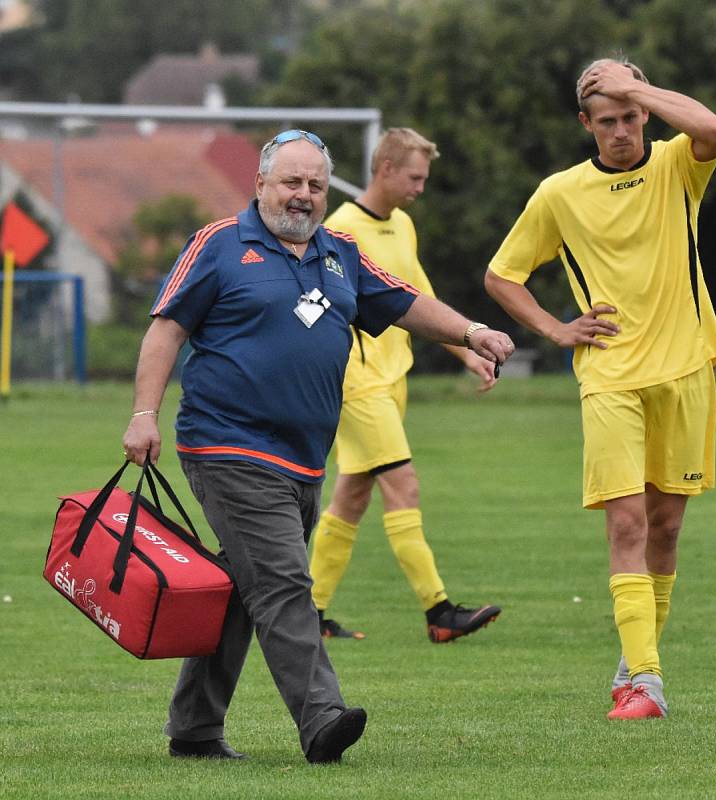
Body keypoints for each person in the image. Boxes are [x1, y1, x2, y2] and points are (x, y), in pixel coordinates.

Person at [122, 129, 514, 763]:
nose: (303, 196)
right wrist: (145, 414)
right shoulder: (220, 245)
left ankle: (194, 728)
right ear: (261, 185)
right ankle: (321, 716)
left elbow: (408, 303)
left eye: (315, 186)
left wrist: (472, 331)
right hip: (226, 446)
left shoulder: (341, 253)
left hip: (304, 457)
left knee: (244, 588)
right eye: (291, 183)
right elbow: (166, 329)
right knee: (281, 582)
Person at [485, 58, 716, 720]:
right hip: (609, 377)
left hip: (683, 372)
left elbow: (711, 126)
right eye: (606, 118)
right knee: (624, 521)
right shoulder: (559, 193)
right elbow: (502, 275)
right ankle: (647, 682)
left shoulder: (678, 165)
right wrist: (555, 330)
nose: (619, 128)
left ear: (643, 111)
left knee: (665, 526)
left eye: (628, 115)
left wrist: (631, 84)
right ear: (584, 123)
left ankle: (631, 662)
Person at [309, 128, 502, 644]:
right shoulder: (341, 229)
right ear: (386, 169)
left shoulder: (404, 226)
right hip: (357, 382)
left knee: (351, 498)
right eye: (415, 177)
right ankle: (439, 611)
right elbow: (316, 307)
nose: (420, 187)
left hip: (393, 383)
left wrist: (469, 352)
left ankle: (310, 612)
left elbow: (419, 300)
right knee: (405, 484)